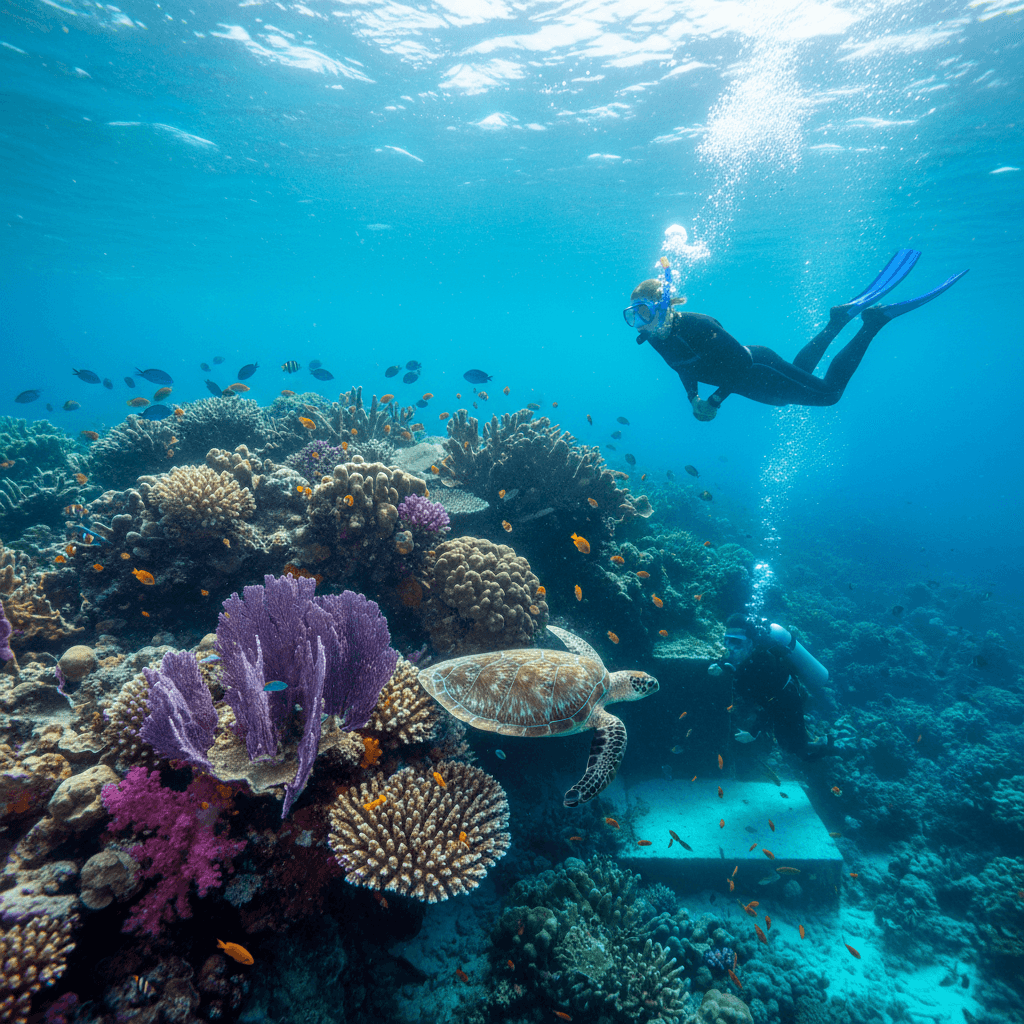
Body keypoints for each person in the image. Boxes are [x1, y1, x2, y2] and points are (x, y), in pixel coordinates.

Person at [625, 251, 968, 421]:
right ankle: (836, 321)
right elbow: (682, 366)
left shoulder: (698, 325)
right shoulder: (655, 336)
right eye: (633, 316)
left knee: (829, 395)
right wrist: (692, 398)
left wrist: (714, 401)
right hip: (751, 379)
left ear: (664, 306)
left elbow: (741, 364)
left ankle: (872, 322)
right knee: (789, 389)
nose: (639, 323)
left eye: (643, 313)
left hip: (756, 367)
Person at [718, 614, 838, 761]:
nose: (729, 647)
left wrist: (753, 733)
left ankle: (832, 745)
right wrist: (720, 666)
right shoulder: (745, 655)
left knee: (796, 748)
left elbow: (771, 703)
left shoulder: (763, 664)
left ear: (750, 642)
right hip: (775, 699)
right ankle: (817, 740)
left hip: (787, 700)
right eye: (726, 640)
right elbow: (732, 665)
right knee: (788, 744)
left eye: (736, 642)